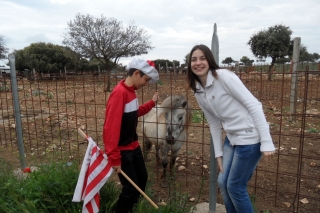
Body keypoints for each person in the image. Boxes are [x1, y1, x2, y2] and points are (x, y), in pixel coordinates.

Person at [186, 44, 275, 213]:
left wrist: (266, 142)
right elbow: (213, 122)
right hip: (232, 137)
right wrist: (218, 154)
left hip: (250, 138)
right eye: (194, 59)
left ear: (210, 61)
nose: (198, 63)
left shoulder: (224, 77)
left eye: (202, 58)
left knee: (235, 187)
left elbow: (254, 105)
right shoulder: (198, 89)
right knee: (222, 182)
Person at [103, 58, 159, 213]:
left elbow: (135, 113)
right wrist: (114, 157)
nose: (146, 84)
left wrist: (151, 103)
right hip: (123, 151)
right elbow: (110, 128)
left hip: (134, 146)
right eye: (146, 80)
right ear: (136, 73)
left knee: (142, 179)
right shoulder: (119, 94)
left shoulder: (131, 92)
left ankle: (132, 209)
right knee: (130, 189)